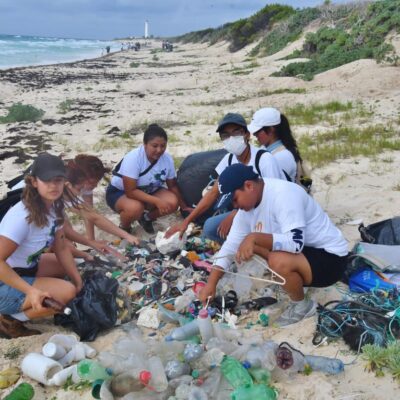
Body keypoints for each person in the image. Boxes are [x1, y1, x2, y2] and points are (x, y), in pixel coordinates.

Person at [198, 163, 348, 327]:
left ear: (249, 186)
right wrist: (211, 284)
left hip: (331, 259)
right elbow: (229, 247)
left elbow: (295, 243)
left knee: (276, 260)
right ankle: (294, 281)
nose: (235, 206)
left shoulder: (283, 194)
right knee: (252, 246)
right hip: (307, 253)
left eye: (235, 199)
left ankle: (302, 307)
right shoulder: (246, 210)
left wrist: (254, 237)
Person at [166, 113, 285, 243]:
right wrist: (187, 221)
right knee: (211, 227)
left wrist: (235, 215)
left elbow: (274, 196)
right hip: (244, 210)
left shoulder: (263, 159)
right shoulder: (229, 159)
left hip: (268, 211)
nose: (231, 138)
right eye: (225, 135)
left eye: (236, 132)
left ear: (247, 134)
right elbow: (213, 193)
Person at [0, 153, 80, 338]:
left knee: (67, 269)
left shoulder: (55, 207)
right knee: (67, 292)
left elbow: (61, 247)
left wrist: (78, 280)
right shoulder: (22, 217)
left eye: (58, 180)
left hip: (24, 267)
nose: (53, 185)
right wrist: (31, 291)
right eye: (47, 180)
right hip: (4, 279)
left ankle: (23, 301)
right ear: (34, 182)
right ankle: (9, 320)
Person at [106, 124, 190, 234]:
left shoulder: (167, 159)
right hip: (121, 192)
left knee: (172, 202)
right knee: (135, 208)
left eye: (163, 146)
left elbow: (172, 185)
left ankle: (146, 218)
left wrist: (183, 206)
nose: (159, 150)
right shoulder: (134, 158)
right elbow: (130, 191)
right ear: (145, 144)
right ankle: (125, 227)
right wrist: (157, 201)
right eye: (154, 146)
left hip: (149, 190)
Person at [65, 155, 138, 245]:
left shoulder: (80, 184)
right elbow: (93, 217)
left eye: (97, 182)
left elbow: (91, 215)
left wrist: (91, 240)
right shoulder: (61, 190)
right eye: (92, 182)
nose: (95, 186)